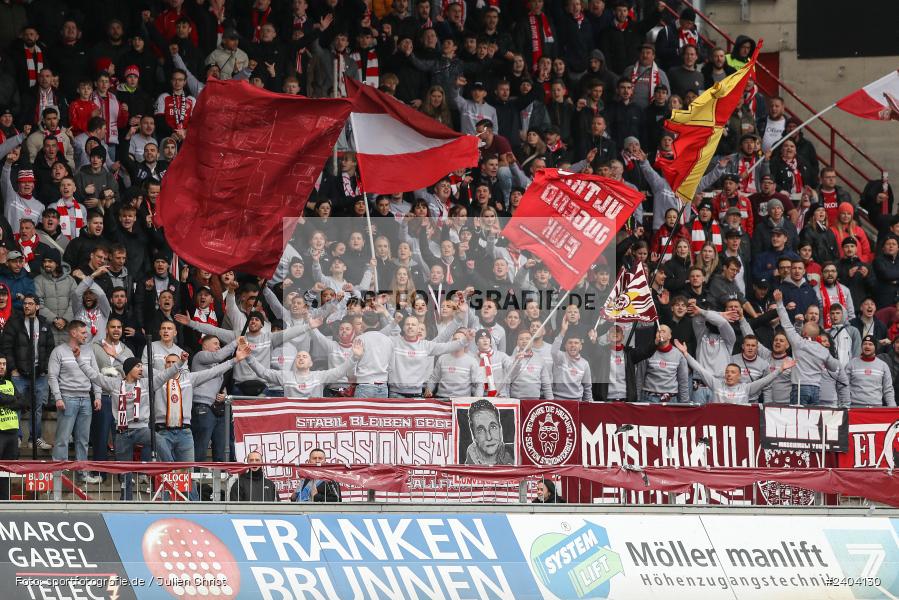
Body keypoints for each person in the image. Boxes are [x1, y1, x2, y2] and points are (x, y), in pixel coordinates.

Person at [48, 320, 102, 491]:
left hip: (85, 398)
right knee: (62, 439)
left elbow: (95, 375)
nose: (86, 335)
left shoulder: (89, 351)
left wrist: (98, 395)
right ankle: (59, 475)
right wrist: (58, 397)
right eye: (83, 332)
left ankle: (82, 474)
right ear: (73, 333)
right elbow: (52, 377)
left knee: (83, 440)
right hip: (67, 398)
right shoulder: (59, 351)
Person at [773, 289, 841, 405]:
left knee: (797, 420)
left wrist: (779, 303)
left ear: (804, 333)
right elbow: (835, 367)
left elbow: (786, 324)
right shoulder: (823, 349)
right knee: (812, 421)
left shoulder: (798, 342)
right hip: (816, 389)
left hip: (800, 388)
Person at [674, 339, 794, 404]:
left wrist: (780, 369)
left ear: (739, 376)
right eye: (727, 372)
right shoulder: (716, 384)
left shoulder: (746, 388)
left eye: (733, 372)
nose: (729, 374)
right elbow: (699, 369)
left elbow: (765, 381)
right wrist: (685, 354)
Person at [846, 336, 896, 408]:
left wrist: (892, 407)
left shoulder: (883, 365)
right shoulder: (851, 364)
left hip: (876, 408)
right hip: (855, 407)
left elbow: (888, 389)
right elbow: (845, 386)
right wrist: (845, 405)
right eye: (865, 344)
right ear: (861, 346)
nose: (867, 346)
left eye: (870, 344)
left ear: (875, 347)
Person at [0, 355, 24, 500]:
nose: (2, 366)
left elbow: (24, 402)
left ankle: (5, 501)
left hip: (12, 432)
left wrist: (7, 401)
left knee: (7, 471)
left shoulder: (10, 383)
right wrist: (13, 400)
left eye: (4, 364)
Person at [464, 399, 514, 465]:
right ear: (473, 435)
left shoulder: (515, 454)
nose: (489, 437)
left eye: (493, 427)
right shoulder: (466, 470)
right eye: (480, 430)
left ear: (500, 428)